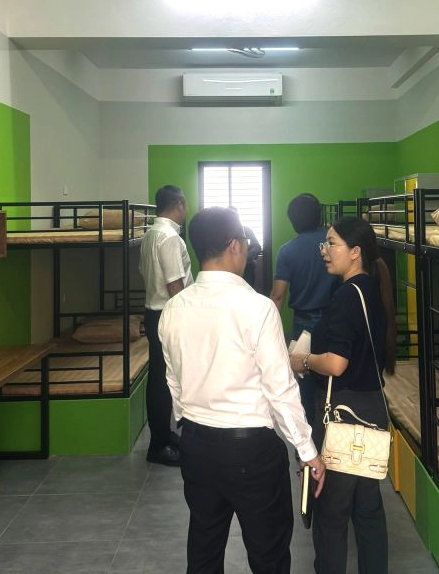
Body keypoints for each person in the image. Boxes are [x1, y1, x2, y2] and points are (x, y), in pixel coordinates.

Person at [160, 206, 326, 574]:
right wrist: (307, 451)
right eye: (245, 243)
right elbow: (280, 389)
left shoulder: (173, 309)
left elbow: (174, 380)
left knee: (203, 550)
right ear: (234, 246)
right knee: (269, 555)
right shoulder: (258, 308)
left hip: (196, 445)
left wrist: (191, 424)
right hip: (251, 450)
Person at [290, 216, 390, 574]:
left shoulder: (347, 295)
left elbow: (336, 364)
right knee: (368, 510)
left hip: (342, 417)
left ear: (355, 251)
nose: (325, 250)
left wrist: (304, 360)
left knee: (331, 513)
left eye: (332, 243)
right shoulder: (370, 289)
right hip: (371, 411)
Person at [271, 193, 339, 424]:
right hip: (334, 319)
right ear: (319, 215)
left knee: (305, 381)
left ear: (293, 221)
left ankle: (309, 434)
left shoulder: (287, 251)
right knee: (335, 374)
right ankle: (336, 431)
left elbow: (278, 295)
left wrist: (271, 332)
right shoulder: (334, 244)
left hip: (304, 325)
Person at [138, 184, 192, 467]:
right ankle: (158, 446)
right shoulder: (170, 237)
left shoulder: (151, 234)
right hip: (168, 313)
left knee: (160, 379)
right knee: (163, 382)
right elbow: (175, 284)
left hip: (153, 312)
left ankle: (163, 435)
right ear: (179, 204)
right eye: (185, 204)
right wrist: (186, 319)